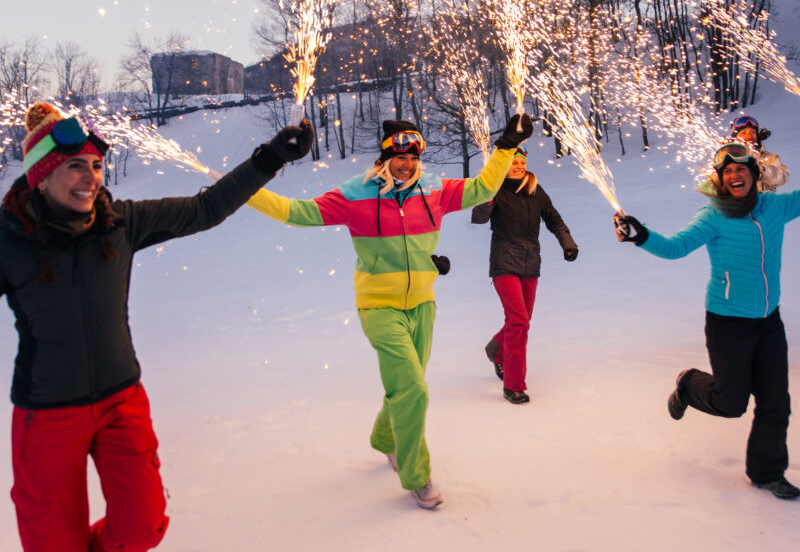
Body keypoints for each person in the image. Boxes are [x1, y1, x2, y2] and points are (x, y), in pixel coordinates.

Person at [0, 102, 313, 552]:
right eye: (74, 166)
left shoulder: (120, 223)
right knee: (51, 543)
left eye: (95, 165)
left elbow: (205, 209)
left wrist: (269, 159)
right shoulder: (9, 239)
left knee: (142, 527)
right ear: (40, 177)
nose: (91, 177)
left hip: (121, 403)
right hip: (46, 415)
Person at [247, 114, 533, 508]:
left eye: (414, 156)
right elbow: (297, 212)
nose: (408, 163)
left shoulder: (434, 190)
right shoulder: (357, 193)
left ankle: (385, 438)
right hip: (379, 307)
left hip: (423, 304)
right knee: (414, 390)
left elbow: (484, 188)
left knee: (406, 385)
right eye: (399, 156)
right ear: (385, 157)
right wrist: (243, 188)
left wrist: (503, 149)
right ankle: (417, 475)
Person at [614, 141, 800, 500]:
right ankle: (687, 384)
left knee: (776, 402)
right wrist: (642, 235)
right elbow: (675, 247)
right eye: (728, 171)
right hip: (728, 322)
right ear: (720, 178)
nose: (734, 175)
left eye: (741, 169)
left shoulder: (775, 207)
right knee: (732, 403)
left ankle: (767, 473)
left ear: (754, 174)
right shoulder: (713, 215)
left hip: (768, 321)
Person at [471, 145, 578, 404]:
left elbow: (554, 219)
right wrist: (486, 198)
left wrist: (568, 243)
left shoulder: (535, 190)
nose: (518, 166)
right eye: (512, 162)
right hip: (504, 263)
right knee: (519, 321)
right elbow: (478, 218)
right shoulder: (493, 188)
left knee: (522, 320)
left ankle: (497, 350)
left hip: (531, 264)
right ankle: (514, 384)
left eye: (521, 162)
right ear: (503, 166)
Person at [730, 114, 789, 192]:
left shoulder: (770, 158)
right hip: (739, 203)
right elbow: (713, 184)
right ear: (735, 138)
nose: (749, 136)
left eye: (752, 132)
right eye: (744, 133)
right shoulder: (726, 157)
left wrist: (763, 172)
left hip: (767, 203)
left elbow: (783, 177)